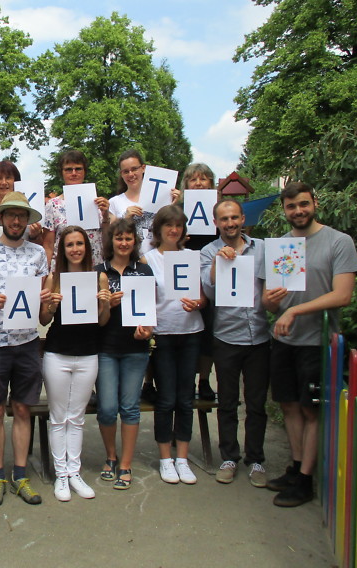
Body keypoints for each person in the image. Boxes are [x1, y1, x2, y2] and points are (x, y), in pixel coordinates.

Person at [262, 182, 357, 507]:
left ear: (315, 203)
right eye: (291, 207)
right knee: (289, 404)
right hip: (284, 341)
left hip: (317, 344)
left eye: (303, 204)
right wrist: (272, 301)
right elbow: (271, 305)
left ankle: (306, 480)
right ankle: (295, 466)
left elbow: (342, 295)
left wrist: (295, 310)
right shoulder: (281, 247)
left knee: (312, 408)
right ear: (284, 210)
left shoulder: (338, 242)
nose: (298, 211)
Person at [0, 191, 51, 506]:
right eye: (11, 215)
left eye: (22, 216)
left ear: (28, 221)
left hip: (27, 343)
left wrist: (48, 305)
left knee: (22, 409)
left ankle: (21, 475)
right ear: (1, 218)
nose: (16, 221)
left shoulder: (38, 254)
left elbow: (43, 311)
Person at [200, 200, 270, 487]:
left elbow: (274, 284)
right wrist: (219, 262)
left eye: (234, 218)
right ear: (216, 223)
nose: (229, 223)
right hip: (226, 336)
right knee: (227, 402)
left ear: (243, 219)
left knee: (256, 403)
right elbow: (208, 289)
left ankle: (256, 460)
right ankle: (229, 457)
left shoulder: (263, 249)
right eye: (223, 219)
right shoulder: (208, 252)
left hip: (260, 336)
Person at [39, 226, 110, 501]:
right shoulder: (54, 278)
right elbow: (44, 320)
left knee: (76, 417)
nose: (75, 249)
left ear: (87, 247)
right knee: (59, 417)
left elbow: (102, 321)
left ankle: (74, 472)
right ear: (62, 249)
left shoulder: (98, 277)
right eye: (70, 245)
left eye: (79, 243)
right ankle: (60, 475)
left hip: (88, 354)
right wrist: (51, 305)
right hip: (58, 353)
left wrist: (104, 305)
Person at [143, 204, 206, 485]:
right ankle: (165, 459)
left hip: (191, 333)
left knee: (185, 398)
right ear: (158, 230)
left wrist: (199, 302)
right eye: (168, 225)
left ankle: (183, 458)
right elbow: (143, 300)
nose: (174, 229)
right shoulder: (148, 259)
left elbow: (203, 296)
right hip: (164, 335)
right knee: (166, 398)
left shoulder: (193, 256)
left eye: (178, 225)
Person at [95, 219, 154, 491]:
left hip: (135, 349)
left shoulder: (143, 270)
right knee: (107, 408)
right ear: (111, 241)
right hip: (105, 348)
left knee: (129, 408)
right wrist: (107, 305)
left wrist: (147, 331)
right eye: (119, 238)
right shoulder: (98, 272)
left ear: (134, 241)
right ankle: (111, 456)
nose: (124, 242)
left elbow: (150, 312)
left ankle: (126, 464)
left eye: (128, 238)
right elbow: (95, 320)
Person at [179, 162, 219, 402]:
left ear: (211, 183)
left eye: (204, 178)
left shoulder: (218, 210)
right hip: (184, 269)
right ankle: (187, 380)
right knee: (184, 324)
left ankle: (204, 379)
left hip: (212, 271)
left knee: (208, 329)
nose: (199, 183)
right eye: (193, 179)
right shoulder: (179, 209)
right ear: (186, 184)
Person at [43, 149, 110, 271]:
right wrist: (46, 274)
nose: (74, 173)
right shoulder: (53, 205)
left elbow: (106, 241)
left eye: (78, 169)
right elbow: (48, 245)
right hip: (64, 269)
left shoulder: (97, 202)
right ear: (61, 173)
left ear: (84, 171)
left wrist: (106, 217)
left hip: (93, 267)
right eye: (68, 169)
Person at [109, 149, 180, 254]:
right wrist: (125, 218)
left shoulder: (162, 197)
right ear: (121, 174)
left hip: (158, 259)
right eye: (126, 171)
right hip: (129, 262)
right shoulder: (114, 202)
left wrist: (173, 206)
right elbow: (111, 237)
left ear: (143, 168)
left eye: (134, 169)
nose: (131, 174)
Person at [0, 160, 42, 244]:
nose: (3, 182)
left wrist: (35, 236)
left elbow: (39, 246)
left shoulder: (28, 207)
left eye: (8, 178)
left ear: (16, 180)